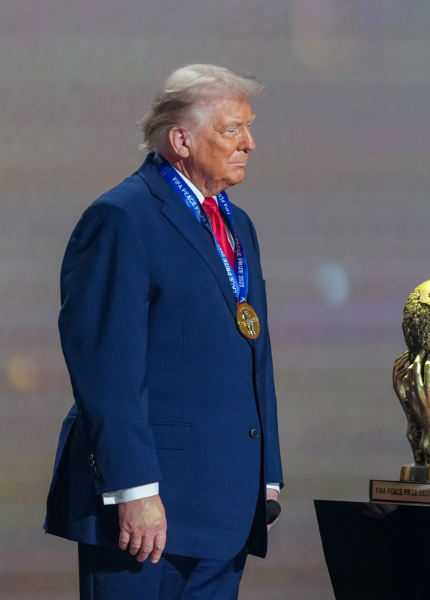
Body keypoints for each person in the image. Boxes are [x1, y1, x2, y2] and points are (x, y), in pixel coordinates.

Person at [44, 64, 284, 599]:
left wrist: (264, 473)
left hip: (226, 504)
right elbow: (107, 368)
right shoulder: (123, 217)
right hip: (151, 509)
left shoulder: (235, 224)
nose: (249, 142)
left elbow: (253, 352)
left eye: (249, 127)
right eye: (232, 129)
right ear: (181, 140)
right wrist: (133, 489)